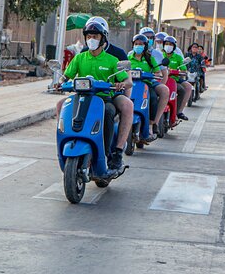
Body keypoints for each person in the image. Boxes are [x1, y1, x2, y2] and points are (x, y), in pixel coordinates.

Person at [58, 20, 133, 170]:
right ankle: (67, 138)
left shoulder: (112, 60)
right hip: (81, 96)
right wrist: (60, 82)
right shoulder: (80, 57)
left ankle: (113, 152)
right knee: (61, 104)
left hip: (104, 98)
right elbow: (66, 76)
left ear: (103, 38)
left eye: (96, 36)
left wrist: (121, 84)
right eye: (89, 36)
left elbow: (127, 80)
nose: (92, 39)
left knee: (109, 111)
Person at [128, 34, 168, 142]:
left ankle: (152, 124)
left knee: (153, 98)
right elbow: (121, 71)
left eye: (141, 44)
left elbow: (158, 72)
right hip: (131, 84)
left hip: (147, 84)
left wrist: (153, 75)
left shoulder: (150, 58)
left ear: (145, 46)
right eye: (136, 44)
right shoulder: (128, 57)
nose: (138, 46)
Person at [161, 35, 192, 121]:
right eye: (166, 44)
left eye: (170, 44)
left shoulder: (178, 57)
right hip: (161, 79)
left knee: (184, 89)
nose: (168, 46)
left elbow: (184, 71)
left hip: (175, 79)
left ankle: (178, 111)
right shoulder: (160, 55)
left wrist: (175, 71)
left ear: (174, 46)